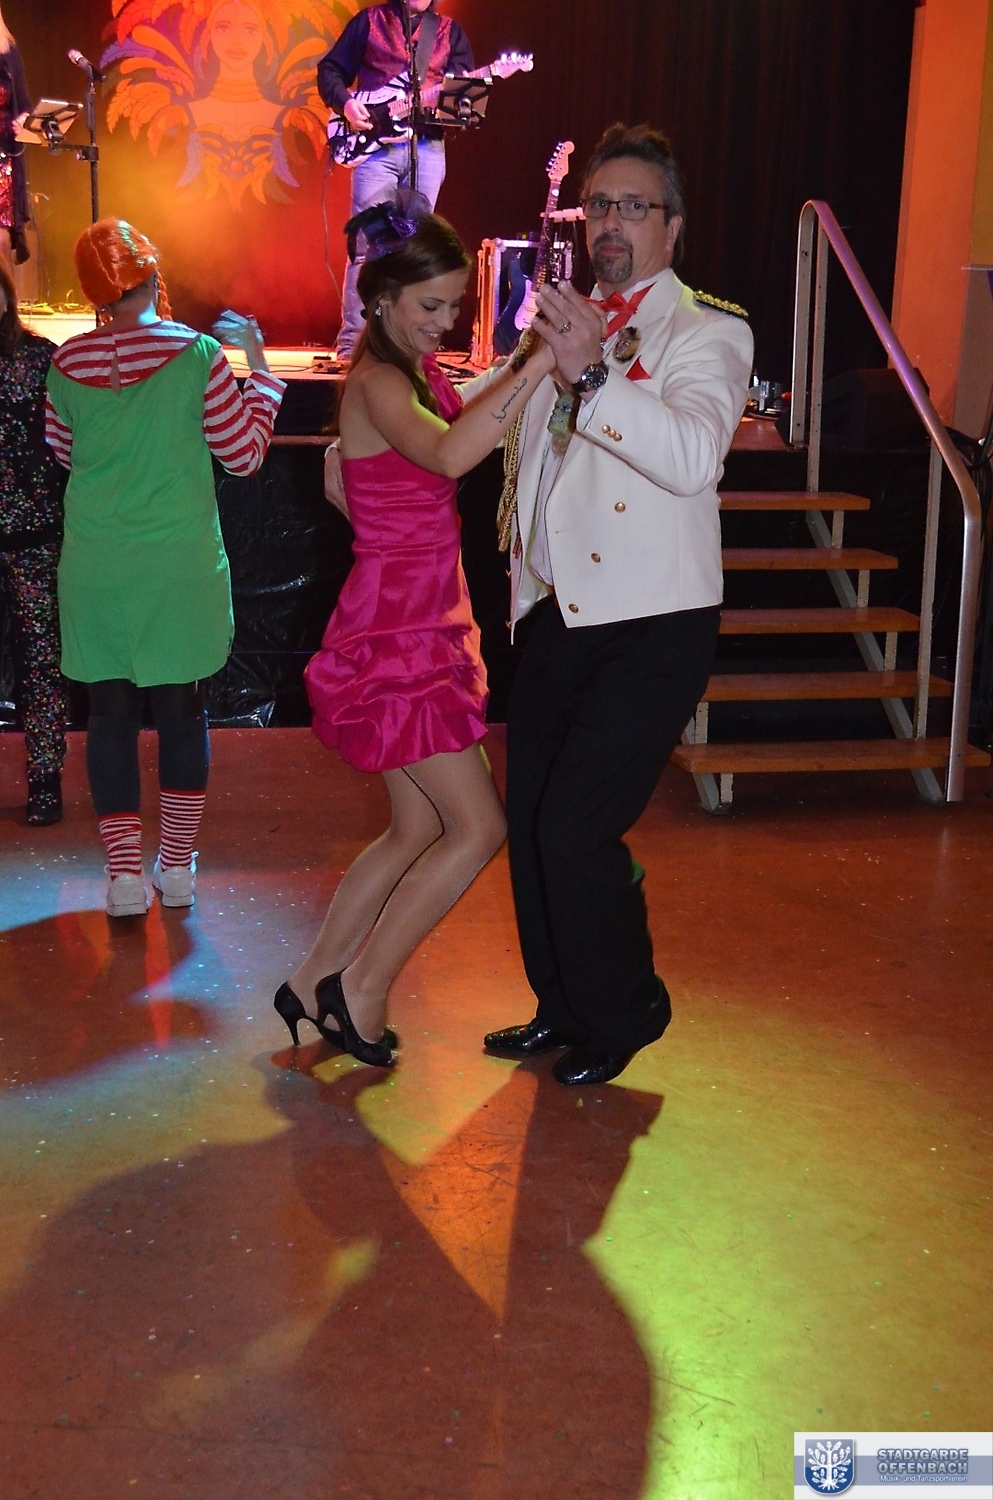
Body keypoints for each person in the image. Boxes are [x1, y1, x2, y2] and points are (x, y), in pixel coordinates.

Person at [479, 123, 754, 1086]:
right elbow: (489, 422)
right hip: (557, 613)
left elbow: (690, 457)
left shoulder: (710, 331)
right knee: (531, 827)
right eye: (598, 204)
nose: (610, 222)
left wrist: (591, 370)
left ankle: (626, 1008)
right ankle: (562, 1006)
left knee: (575, 828)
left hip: (653, 621)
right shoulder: (562, 322)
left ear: (671, 226)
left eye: (633, 206)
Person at [272, 196, 555, 1068]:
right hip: (400, 627)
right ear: (383, 300)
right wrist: (540, 365)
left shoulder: (410, 375)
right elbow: (449, 452)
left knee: (414, 828)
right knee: (476, 828)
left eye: (455, 306)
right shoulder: (378, 383)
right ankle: (360, 988)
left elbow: (456, 420)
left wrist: (521, 361)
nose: (446, 321)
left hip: (418, 615)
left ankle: (311, 981)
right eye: (431, 305)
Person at [44, 218, 285, 916]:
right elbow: (242, 454)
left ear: (92, 292)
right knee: (182, 712)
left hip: (97, 564)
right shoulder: (199, 353)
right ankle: (175, 869)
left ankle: (124, 879)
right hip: (178, 563)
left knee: (109, 716)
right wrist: (261, 368)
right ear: (153, 275)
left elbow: (64, 451)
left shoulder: (66, 364)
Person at [317, 0, 473, 361]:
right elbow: (330, 69)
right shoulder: (370, 21)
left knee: (415, 248)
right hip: (376, 150)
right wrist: (347, 105)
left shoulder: (449, 32)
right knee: (368, 246)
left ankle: (407, 343)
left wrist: (455, 105)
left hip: (427, 146)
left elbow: (463, 95)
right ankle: (354, 345)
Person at [0, 259, 67, 824]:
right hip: (33, 525)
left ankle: (46, 781)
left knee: (41, 660)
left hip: (35, 532)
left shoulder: (39, 358)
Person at [0, 5, 32, 276]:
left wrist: (23, 120)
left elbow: (24, 103)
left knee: (1, 240)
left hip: (4, 156)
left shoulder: (9, 51)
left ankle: (6, 300)